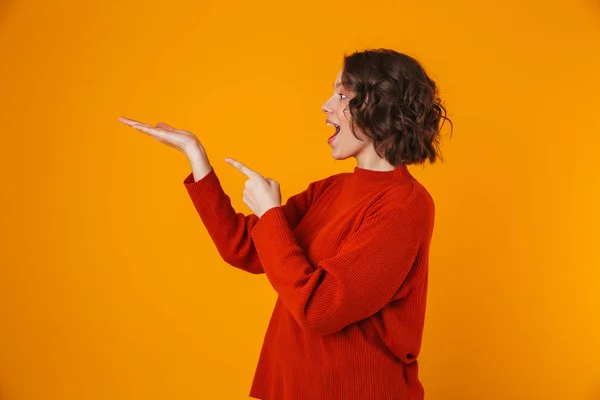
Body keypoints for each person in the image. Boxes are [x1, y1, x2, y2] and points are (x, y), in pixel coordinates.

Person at [119, 48, 452, 400]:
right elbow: (244, 247)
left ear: (377, 106)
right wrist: (196, 156)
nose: (326, 106)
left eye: (341, 95)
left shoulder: (404, 206)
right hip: (289, 388)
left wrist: (271, 213)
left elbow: (319, 309)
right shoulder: (332, 190)